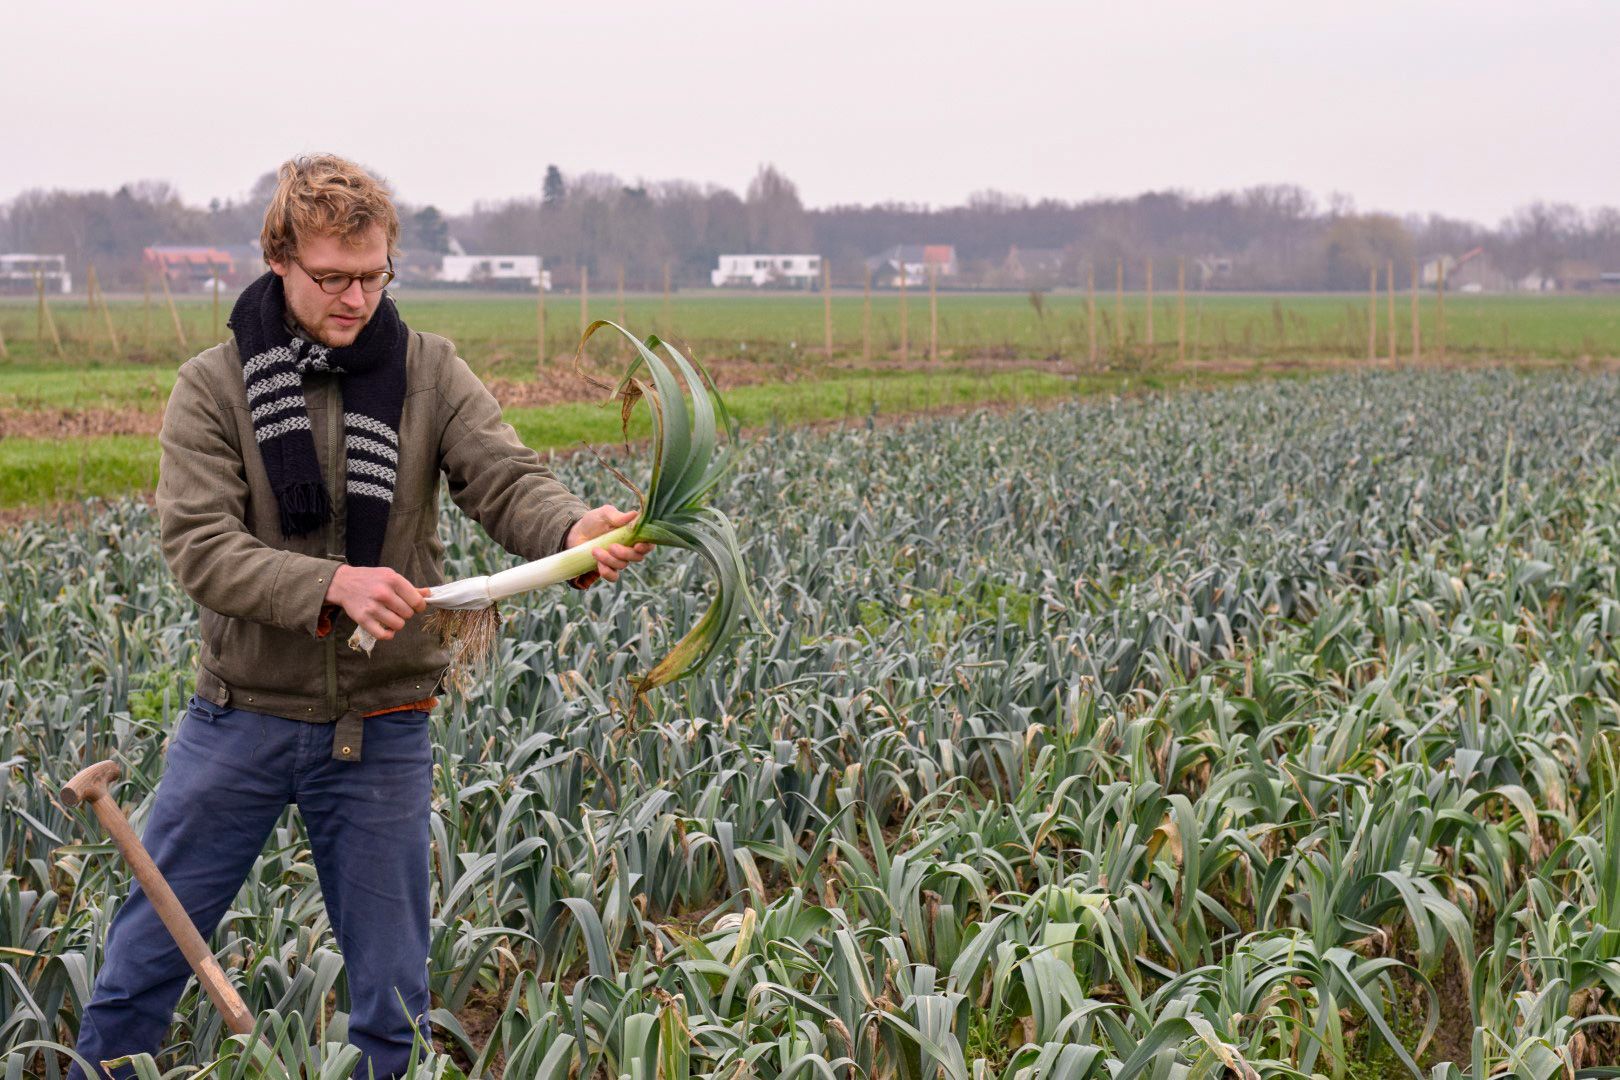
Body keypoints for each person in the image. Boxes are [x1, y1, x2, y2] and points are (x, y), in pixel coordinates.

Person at [67, 154, 651, 1080]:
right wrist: (330, 585)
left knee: (392, 1002)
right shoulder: (213, 387)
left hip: (381, 722)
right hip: (240, 716)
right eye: (331, 277)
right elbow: (200, 546)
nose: (355, 297)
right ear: (279, 263)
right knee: (143, 966)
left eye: (373, 275)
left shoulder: (428, 371)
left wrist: (573, 529)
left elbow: (503, 479)